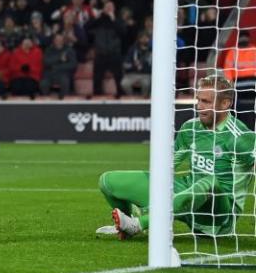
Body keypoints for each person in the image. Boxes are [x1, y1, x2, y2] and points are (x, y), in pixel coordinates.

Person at [96, 74, 255, 239]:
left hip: (218, 216)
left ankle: (139, 223)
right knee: (108, 181)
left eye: (205, 102)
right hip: (185, 199)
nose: (199, 107)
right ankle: (126, 227)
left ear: (225, 104)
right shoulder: (190, 128)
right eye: (198, 100)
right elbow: (167, 166)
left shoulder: (241, 136)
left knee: (209, 182)